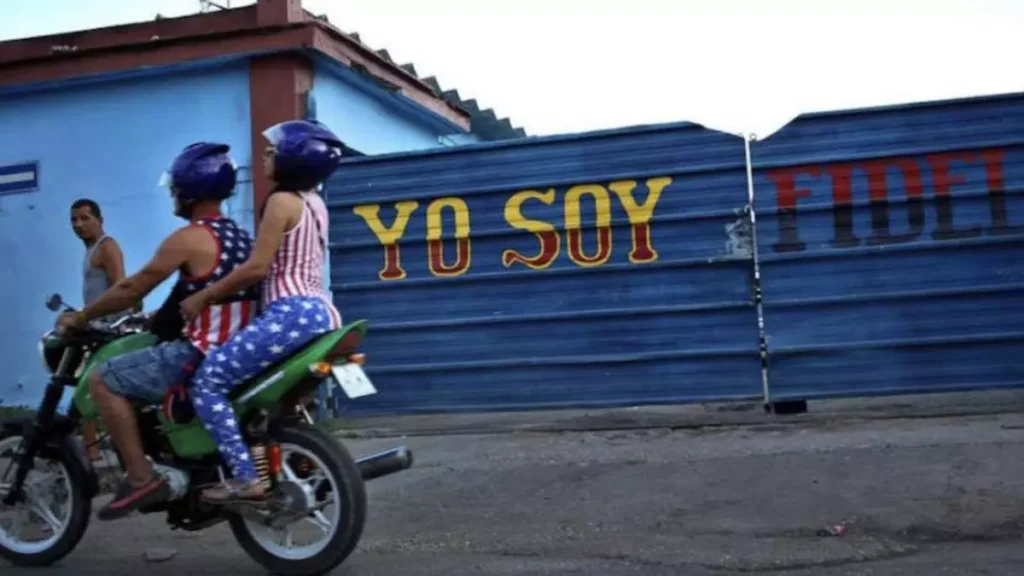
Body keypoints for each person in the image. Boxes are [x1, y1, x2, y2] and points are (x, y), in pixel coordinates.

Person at [57, 142, 260, 520]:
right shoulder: (241, 237)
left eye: (175, 188)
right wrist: (158, 318)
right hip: (240, 349)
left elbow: (131, 289)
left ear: (189, 190)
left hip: (200, 351)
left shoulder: (189, 238)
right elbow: (201, 294)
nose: (172, 195)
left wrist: (81, 317)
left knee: (102, 379)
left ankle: (140, 477)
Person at [180, 120, 345, 503]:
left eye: (273, 152)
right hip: (322, 312)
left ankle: (245, 476)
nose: (265, 157)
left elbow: (257, 268)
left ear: (293, 159)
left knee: (208, 383)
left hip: (290, 314)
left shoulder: (281, 201)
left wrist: (204, 297)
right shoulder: (315, 203)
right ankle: (295, 462)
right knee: (268, 403)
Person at [71, 198, 127, 460]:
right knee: (83, 387)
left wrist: (113, 324)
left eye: (85, 218)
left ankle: (98, 452)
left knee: (89, 386)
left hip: (108, 331)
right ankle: (91, 452)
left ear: (100, 220)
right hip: (94, 327)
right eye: (74, 220)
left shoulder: (107, 246)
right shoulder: (91, 250)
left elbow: (120, 288)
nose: (79, 224)